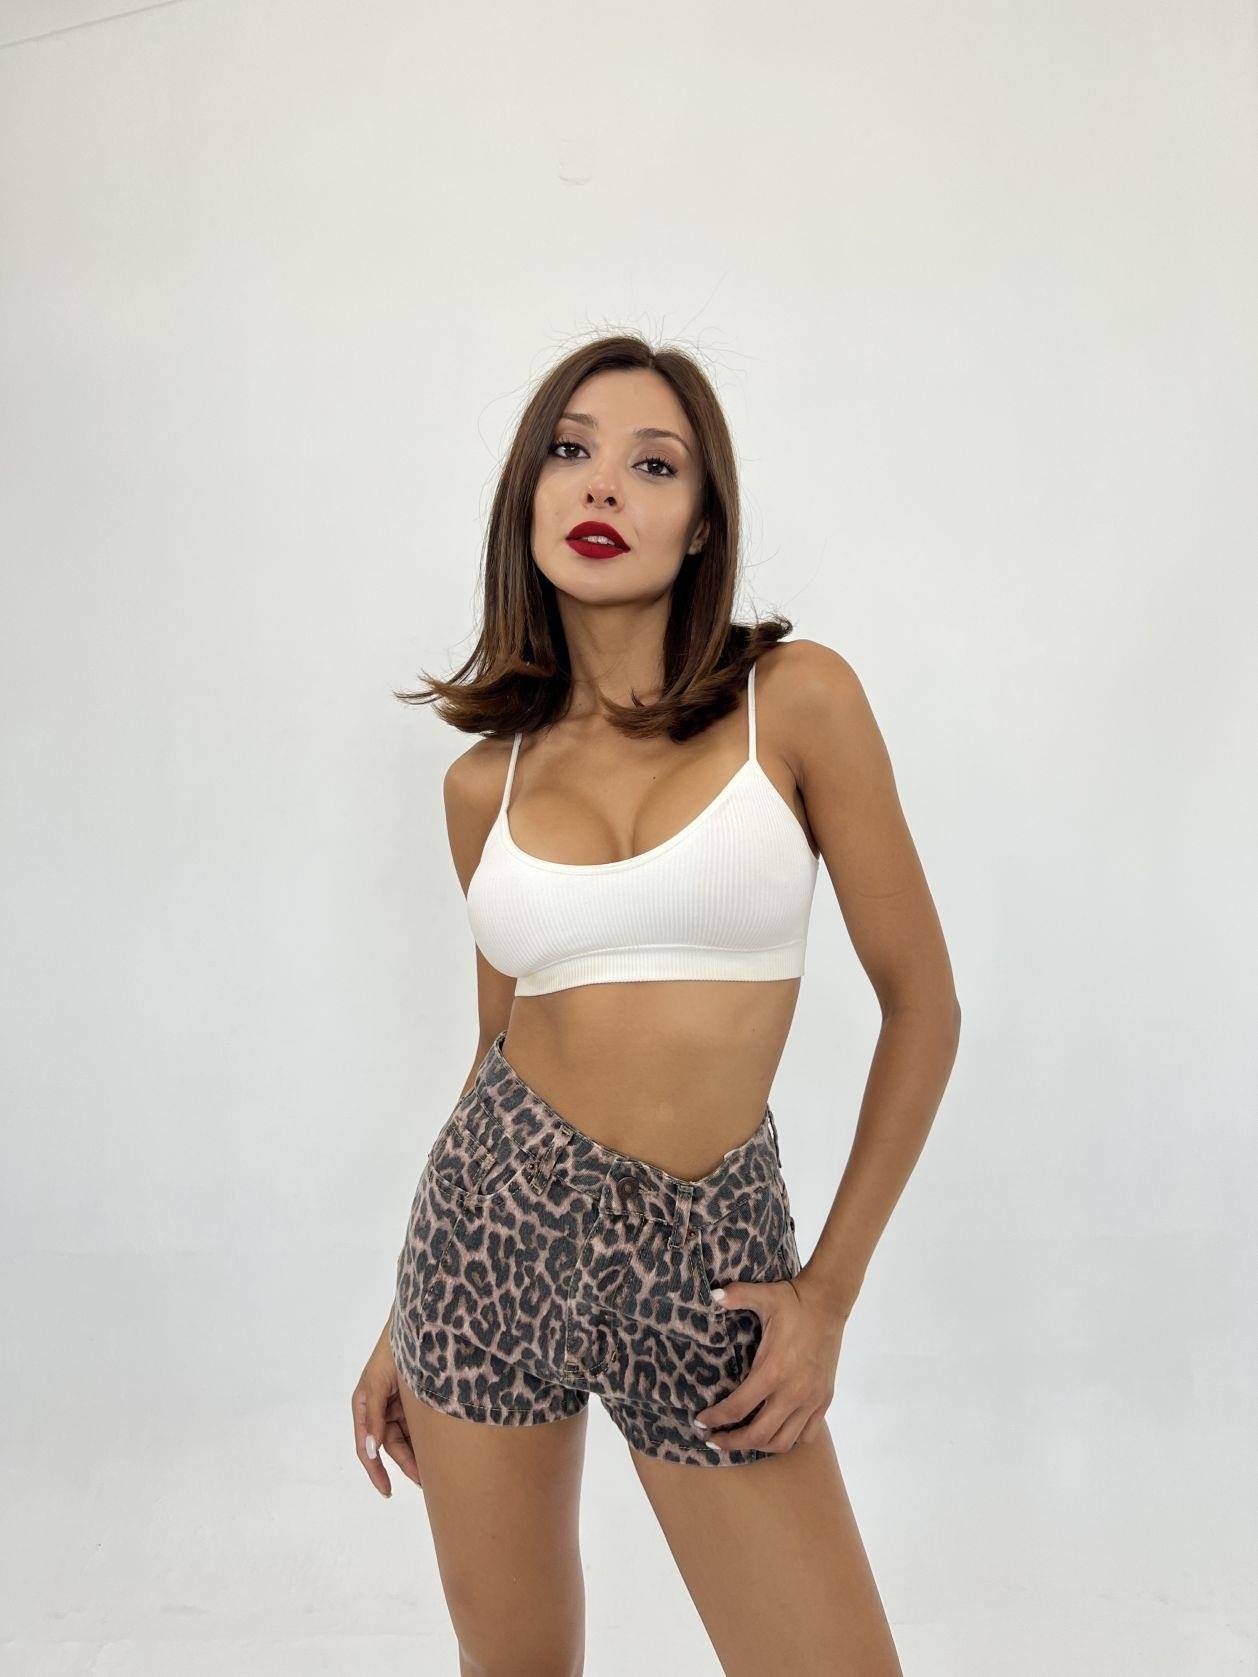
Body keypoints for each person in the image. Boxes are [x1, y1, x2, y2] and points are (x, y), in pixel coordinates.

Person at [352, 334, 961, 1676]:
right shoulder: (484, 784)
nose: (603, 486)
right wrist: (404, 1313)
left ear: (703, 525)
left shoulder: (794, 702)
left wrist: (826, 1297)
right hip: (484, 1251)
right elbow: (498, 1043)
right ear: (526, 499)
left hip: (710, 1262)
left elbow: (923, 1005)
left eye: (653, 464)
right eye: (570, 451)